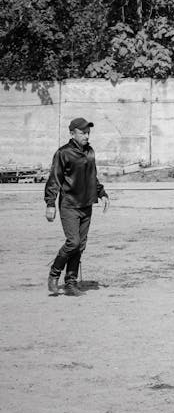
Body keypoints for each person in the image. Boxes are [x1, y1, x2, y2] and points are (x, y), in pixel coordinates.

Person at [44, 117, 110, 296]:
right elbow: (54, 179)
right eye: (83, 133)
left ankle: (71, 283)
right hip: (69, 205)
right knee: (73, 242)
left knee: (80, 246)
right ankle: (54, 274)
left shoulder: (90, 152)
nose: (86, 136)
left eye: (88, 133)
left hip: (86, 204)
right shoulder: (63, 153)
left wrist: (101, 193)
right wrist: (50, 204)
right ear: (72, 133)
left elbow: (92, 176)